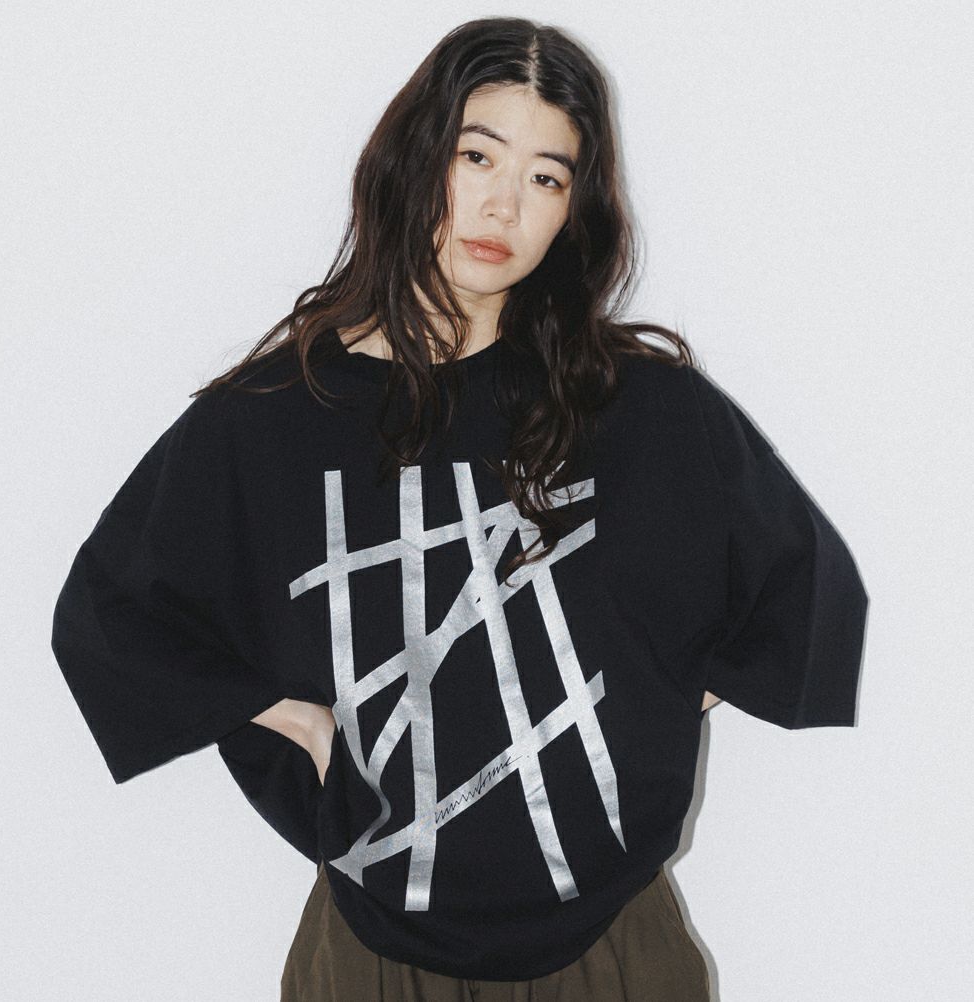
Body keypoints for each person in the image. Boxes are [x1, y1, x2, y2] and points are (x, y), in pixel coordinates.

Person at [50, 16, 869, 1002]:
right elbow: (111, 612)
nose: (501, 203)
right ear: (416, 158)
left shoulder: (644, 408)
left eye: (546, 177)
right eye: (476, 155)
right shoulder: (270, 420)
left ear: (573, 212)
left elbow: (801, 589)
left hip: (615, 949)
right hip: (371, 955)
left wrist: (656, 709)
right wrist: (294, 720)